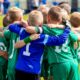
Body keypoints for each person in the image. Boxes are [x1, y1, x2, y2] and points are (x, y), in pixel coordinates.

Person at [17, 6, 80, 80]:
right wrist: (62, 27)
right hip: (72, 62)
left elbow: (30, 29)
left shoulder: (46, 29)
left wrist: (26, 25)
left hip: (59, 63)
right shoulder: (67, 29)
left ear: (48, 18)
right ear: (60, 19)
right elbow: (77, 38)